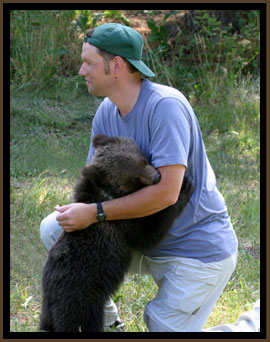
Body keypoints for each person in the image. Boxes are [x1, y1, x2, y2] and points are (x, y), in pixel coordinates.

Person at [40, 23, 238, 332]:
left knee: (161, 327)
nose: (81, 71)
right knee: (55, 228)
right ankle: (104, 324)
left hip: (194, 249)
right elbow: (95, 186)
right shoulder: (107, 111)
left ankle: (251, 326)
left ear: (116, 65)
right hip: (138, 238)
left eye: (89, 63)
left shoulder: (165, 107)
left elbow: (167, 194)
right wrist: (87, 212)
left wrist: (95, 213)